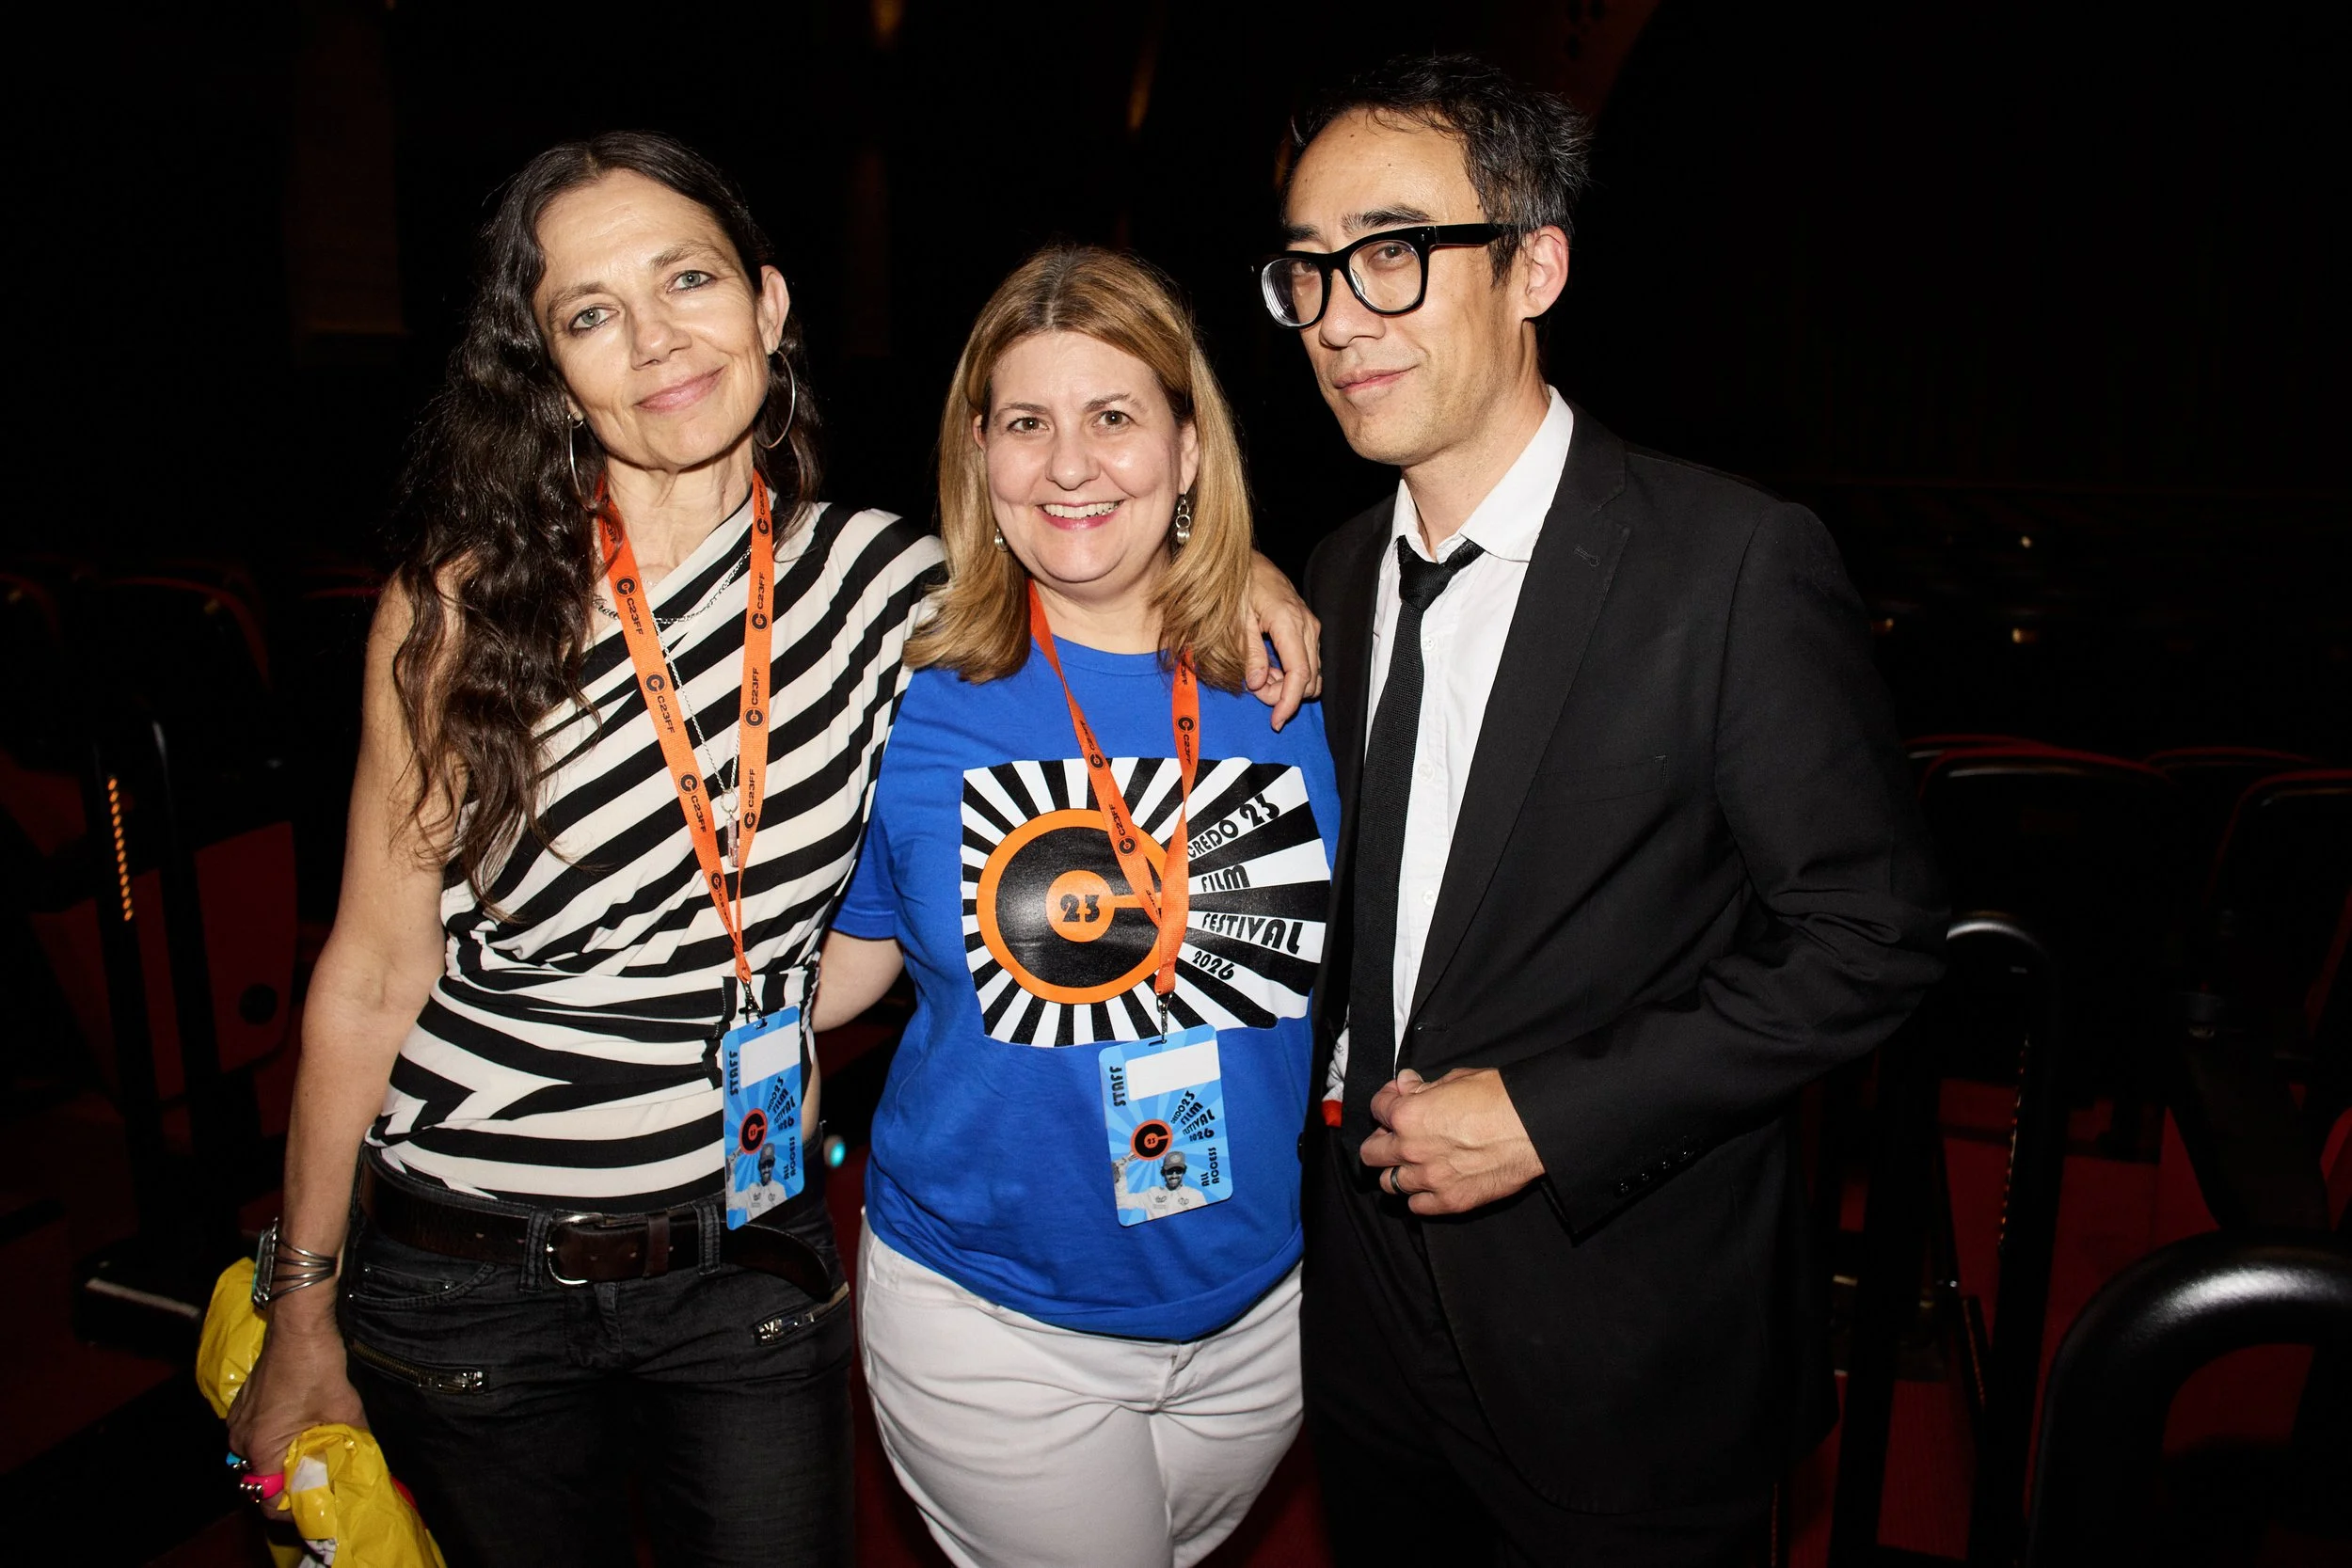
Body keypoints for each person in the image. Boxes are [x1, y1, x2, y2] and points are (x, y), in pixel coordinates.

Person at [222, 135, 1319, 1568]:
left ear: (771, 307)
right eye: (591, 312)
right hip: (469, 1262)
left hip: (746, 1252)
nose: (658, 338)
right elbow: (372, 971)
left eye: (688, 279)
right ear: (549, 366)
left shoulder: (889, 589)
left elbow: (1086, 546)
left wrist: (1242, 572)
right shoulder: (459, 610)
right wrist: (302, 1300)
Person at [1266, 56, 1947, 1566]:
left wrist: (1551, 1116)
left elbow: (1871, 939)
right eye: (1309, 272)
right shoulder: (1319, 577)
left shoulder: (1731, 563)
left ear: (1535, 264)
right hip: (1363, 1331)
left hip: (1625, 1346)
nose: (1340, 317)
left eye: (1390, 253)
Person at [813, 245, 1342, 1568]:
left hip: (1265, 1311)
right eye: (1026, 423)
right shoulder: (911, 688)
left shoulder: (1302, 676)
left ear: (1187, 446)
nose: (1068, 464)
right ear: (978, 458)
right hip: (991, 1316)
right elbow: (852, 959)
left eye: (1113, 416)